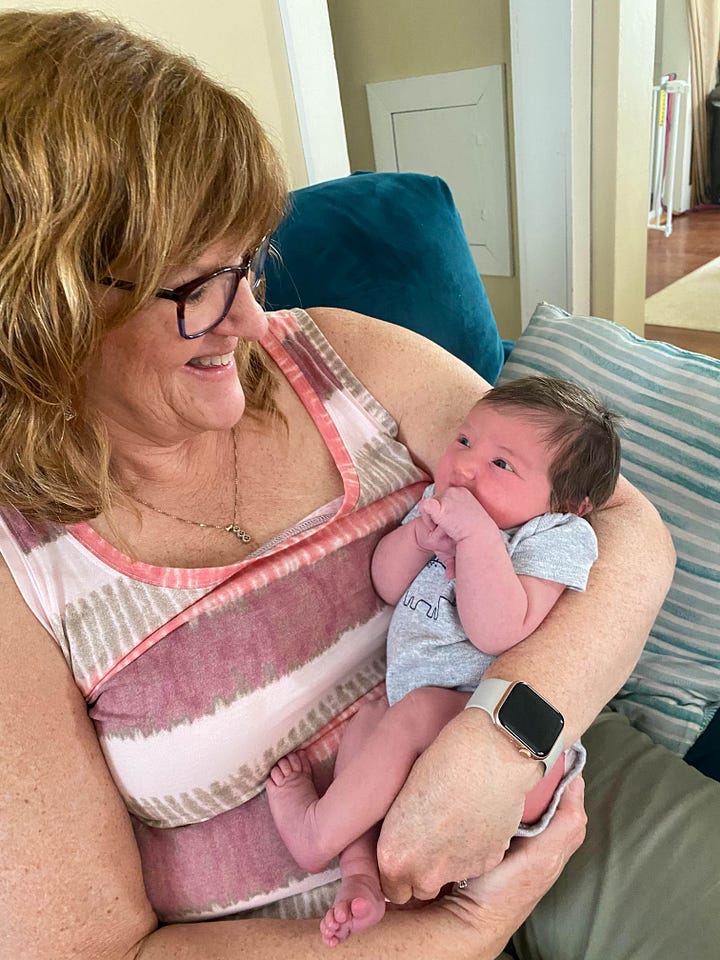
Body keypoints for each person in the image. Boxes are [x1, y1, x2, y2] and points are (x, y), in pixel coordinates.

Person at [0, 10, 692, 960]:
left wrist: (500, 741)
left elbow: (624, 525)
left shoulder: (339, 352)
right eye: (201, 283)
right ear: (47, 305)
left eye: (249, 262)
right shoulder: (20, 564)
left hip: (553, 812)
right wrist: (463, 929)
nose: (252, 318)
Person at [267, 376, 619, 944]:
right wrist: (419, 542)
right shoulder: (435, 509)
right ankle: (358, 871)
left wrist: (477, 538)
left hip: (512, 752)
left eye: (502, 464)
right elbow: (385, 583)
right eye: (464, 441)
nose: (467, 467)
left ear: (568, 502)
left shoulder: (556, 534)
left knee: (413, 709)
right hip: (422, 722)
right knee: (367, 722)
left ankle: (315, 835)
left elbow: (497, 631)